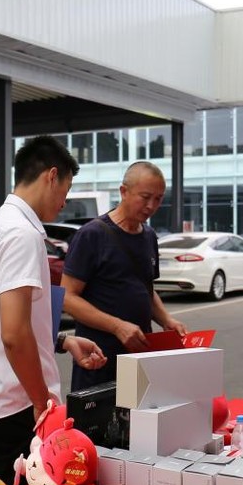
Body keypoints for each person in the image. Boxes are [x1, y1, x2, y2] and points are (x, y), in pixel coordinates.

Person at [0, 135, 107, 485]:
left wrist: (62, 341)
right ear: (51, 176)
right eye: (66, 189)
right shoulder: (21, 234)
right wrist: (42, 401)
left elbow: (3, 319)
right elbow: (13, 334)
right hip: (18, 407)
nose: (64, 201)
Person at [60, 161, 187, 391]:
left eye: (158, 199)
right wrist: (118, 326)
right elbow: (67, 297)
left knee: (141, 424)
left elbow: (145, 289)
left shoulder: (149, 236)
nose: (151, 205)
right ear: (123, 191)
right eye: (145, 196)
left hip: (140, 358)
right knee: (96, 426)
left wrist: (166, 319)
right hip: (98, 359)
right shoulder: (93, 234)